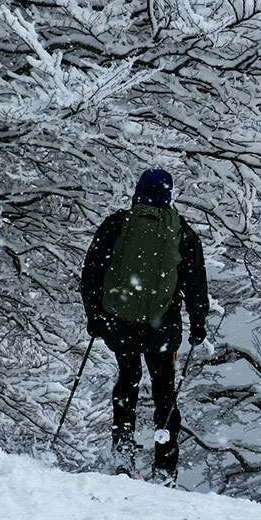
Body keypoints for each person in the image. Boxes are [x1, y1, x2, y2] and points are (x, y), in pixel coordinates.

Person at [80, 169, 209, 485]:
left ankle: (123, 455)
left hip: (120, 325)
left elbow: (93, 271)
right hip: (161, 329)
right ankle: (164, 468)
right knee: (165, 393)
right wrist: (198, 321)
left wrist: (94, 315)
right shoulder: (182, 232)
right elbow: (195, 282)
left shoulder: (118, 224)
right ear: (169, 195)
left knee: (128, 382)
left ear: (137, 193)